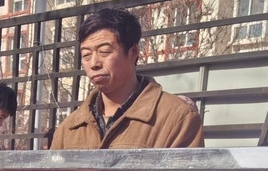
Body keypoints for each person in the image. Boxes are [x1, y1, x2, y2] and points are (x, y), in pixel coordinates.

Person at [50, 8, 205, 150]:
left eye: (104, 51)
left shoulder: (177, 117)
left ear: (133, 53)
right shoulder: (68, 128)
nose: (93, 63)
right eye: (86, 55)